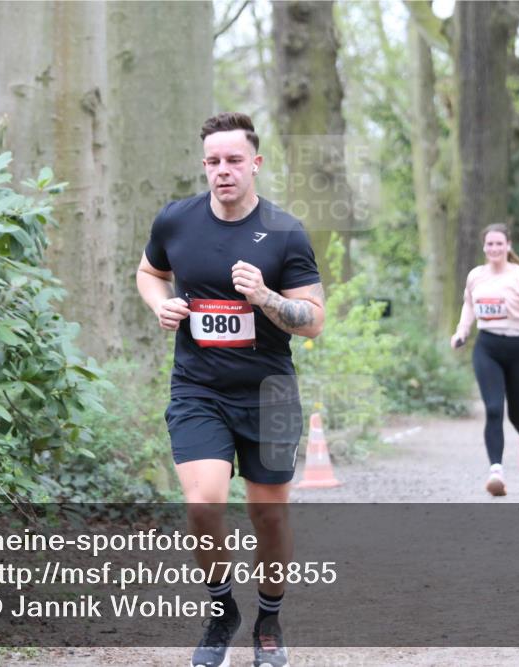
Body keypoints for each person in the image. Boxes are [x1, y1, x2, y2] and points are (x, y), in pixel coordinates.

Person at [137, 112, 323, 667]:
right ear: (204, 166)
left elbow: (312, 320)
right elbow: (149, 272)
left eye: (234, 160)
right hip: (199, 389)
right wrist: (160, 304)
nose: (223, 171)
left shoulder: (286, 232)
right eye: (213, 162)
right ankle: (223, 612)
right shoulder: (176, 221)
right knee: (203, 502)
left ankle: (269, 618)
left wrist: (265, 296)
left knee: (269, 516)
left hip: (269, 393)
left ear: (255, 164)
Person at [451, 223, 519, 497]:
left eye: (499, 244)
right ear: (484, 247)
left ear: (508, 246)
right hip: (487, 347)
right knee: (493, 409)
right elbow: (469, 305)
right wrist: (461, 331)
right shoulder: (476, 276)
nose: (494, 248)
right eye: (489, 244)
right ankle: (496, 471)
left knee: (516, 414)